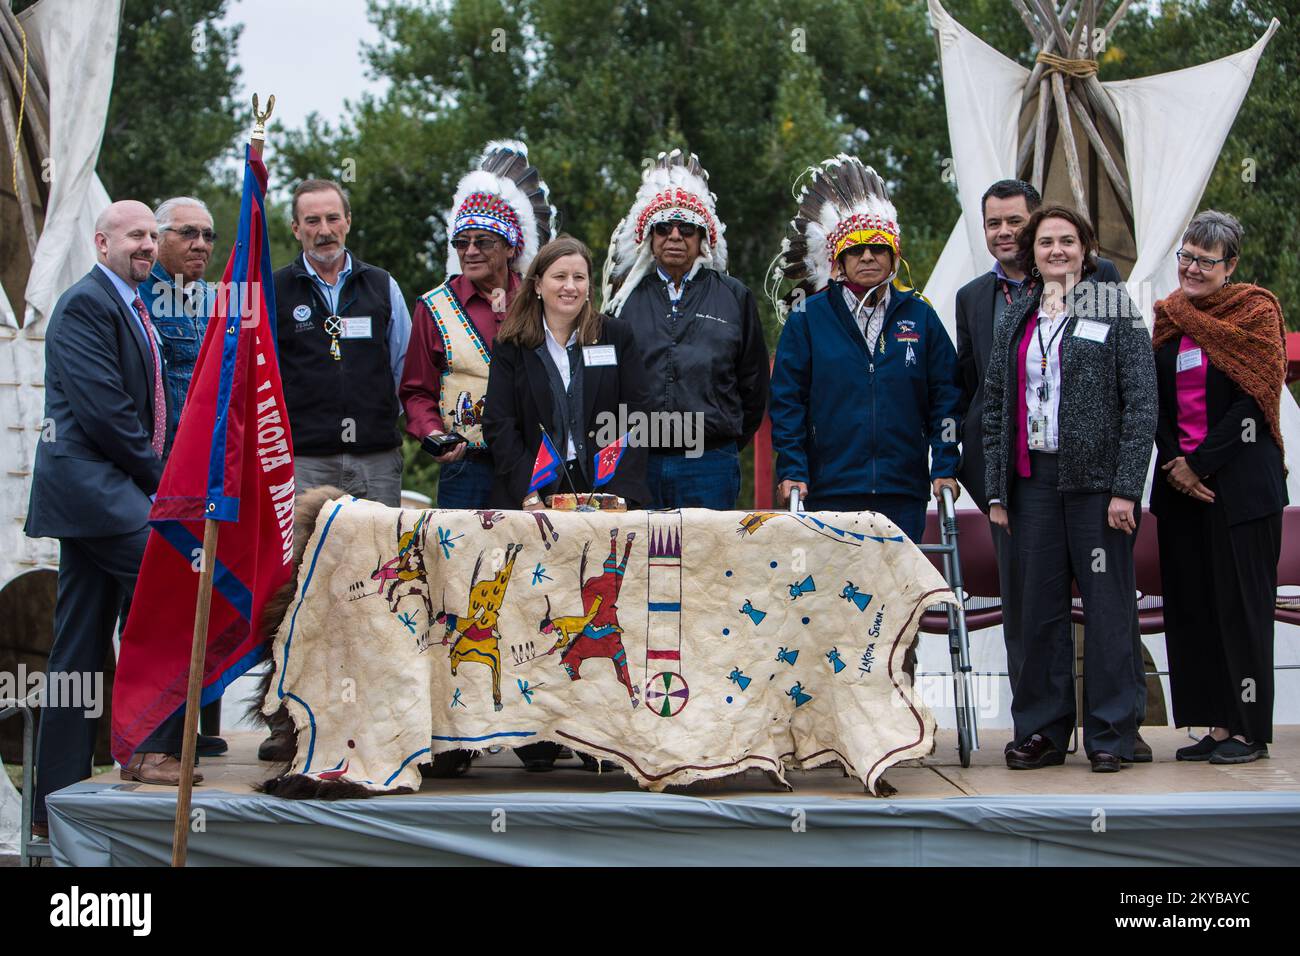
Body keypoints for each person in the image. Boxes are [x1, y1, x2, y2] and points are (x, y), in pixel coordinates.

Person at [953, 180, 1148, 760]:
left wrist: (1125, 487)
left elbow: (1141, 401)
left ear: (1086, 250)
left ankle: (1113, 734)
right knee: (1034, 611)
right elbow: (993, 410)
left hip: (1095, 488)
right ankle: (1041, 730)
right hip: (1030, 483)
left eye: (1067, 241)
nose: (1056, 250)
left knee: (1109, 607)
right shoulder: (1018, 317)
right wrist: (995, 491)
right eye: (1046, 243)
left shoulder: (1110, 304)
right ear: (1032, 252)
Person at [25, 201, 202, 837]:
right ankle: (149, 749)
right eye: (135, 236)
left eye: (154, 235)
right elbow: (106, 416)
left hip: (102, 493)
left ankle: (51, 802)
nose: (148, 245)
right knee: (172, 582)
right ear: (102, 243)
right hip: (94, 486)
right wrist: (164, 486)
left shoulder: (132, 304)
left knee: (77, 644)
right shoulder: (85, 304)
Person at [1150, 211, 1286, 765]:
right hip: (1181, 490)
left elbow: (1256, 399)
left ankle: (1249, 729)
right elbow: (1152, 401)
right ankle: (1216, 725)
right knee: (1195, 609)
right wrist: (1176, 464)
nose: (1193, 268)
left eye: (1206, 260)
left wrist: (1200, 464)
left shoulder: (1256, 313)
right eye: (1186, 256)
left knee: (1241, 609)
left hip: (1240, 490)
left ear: (1230, 266)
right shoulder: (1168, 319)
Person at [769, 155, 960, 542]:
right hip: (829, 488)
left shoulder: (921, 318)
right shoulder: (808, 318)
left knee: (901, 597)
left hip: (902, 489)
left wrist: (945, 465)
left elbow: (947, 399)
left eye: (878, 247)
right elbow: (788, 402)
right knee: (832, 597)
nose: (868, 256)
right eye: (856, 250)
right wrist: (793, 469)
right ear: (838, 260)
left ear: (894, 257)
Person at [602, 150, 768, 508]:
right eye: (663, 227)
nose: (674, 236)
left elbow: (753, 386)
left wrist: (722, 440)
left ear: (702, 237)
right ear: (649, 236)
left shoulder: (734, 296)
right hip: (639, 460)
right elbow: (607, 383)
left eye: (686, 227)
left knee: (706, 563)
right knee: (639, 561)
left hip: (709, 463)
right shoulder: (624, 302)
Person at [400, 140, 556, 509]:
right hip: (466, 467)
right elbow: (416, 391)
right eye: (461, 241)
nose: (470, 252)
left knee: (536, 565)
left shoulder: (541, 300)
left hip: (537, 466)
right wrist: (433, 433)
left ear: (510, 246)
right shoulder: (433, 307)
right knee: (462, 565)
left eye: (483, 242)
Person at [483, 234, 650, 509]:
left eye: (579, 277)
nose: (570, 287)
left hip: (605, 491)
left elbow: (638, 416)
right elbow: (499, 424)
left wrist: (620, 495)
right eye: (560, 276)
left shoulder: (616, 335)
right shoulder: (511, 345)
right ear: (538, 285)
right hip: (532, 495)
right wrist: (528, 493)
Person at [273, 179, 411, 507]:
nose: (324, 230)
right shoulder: (273, 289)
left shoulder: (381, 284)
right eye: (312, 221)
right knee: (305, 558)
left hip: (375, 460)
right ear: (296, 228)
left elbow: (404, 364)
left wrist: (375, 421)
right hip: (303, 461)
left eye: (333, 218)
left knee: (379, 557)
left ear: (347, 221)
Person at [139, 196, 218, 455]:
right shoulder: (136, 295)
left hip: (209, 452)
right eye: (188, 233)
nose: (200, 245)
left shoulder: (216, 300)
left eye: (208, 236)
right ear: (157, 238)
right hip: (157, 455)